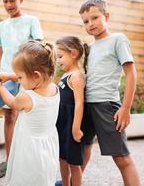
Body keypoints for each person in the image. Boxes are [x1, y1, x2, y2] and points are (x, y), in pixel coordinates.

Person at [78, 0, 140, 185]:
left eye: (95, 18)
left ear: (107, 16)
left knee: (121, 157)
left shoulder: (117, 39)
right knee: (82, 148)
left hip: (107, 106)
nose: (90, 24)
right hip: (87, 105)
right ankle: (72, 181)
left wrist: (126, 108)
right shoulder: (88, 47)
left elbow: (131, 74)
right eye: (86, 21)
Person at [0, 0, 43, 179]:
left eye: (12, 0)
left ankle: (28, 161)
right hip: (6, 78)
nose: (9, 5)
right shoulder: (1, 26)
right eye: (5, 1)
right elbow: (0, 52)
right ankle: (10, 160)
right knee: (9, 117)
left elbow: (38, 48)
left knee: (29, 118)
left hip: (27, 78)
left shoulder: (31, 21)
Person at [0, 41, 60, 186]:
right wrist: (10, 76)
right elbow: (31, 76)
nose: (19, 81)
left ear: (36, 76)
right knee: (42, 176)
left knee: (26, 176)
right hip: (47, 144)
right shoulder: (54, 88)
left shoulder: (27, 97)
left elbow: (12, 103)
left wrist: (0, 87)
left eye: (20, 77)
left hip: (30, 148)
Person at [55, 36, 89, 186]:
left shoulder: (76, 76)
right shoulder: (65, 75)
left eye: (60, 56)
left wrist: (75, 128)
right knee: (62, 159)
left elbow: (79, 103)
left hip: (71, 125)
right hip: (61, 124)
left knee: (73, 163)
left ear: (73, 54)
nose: (58, 61)